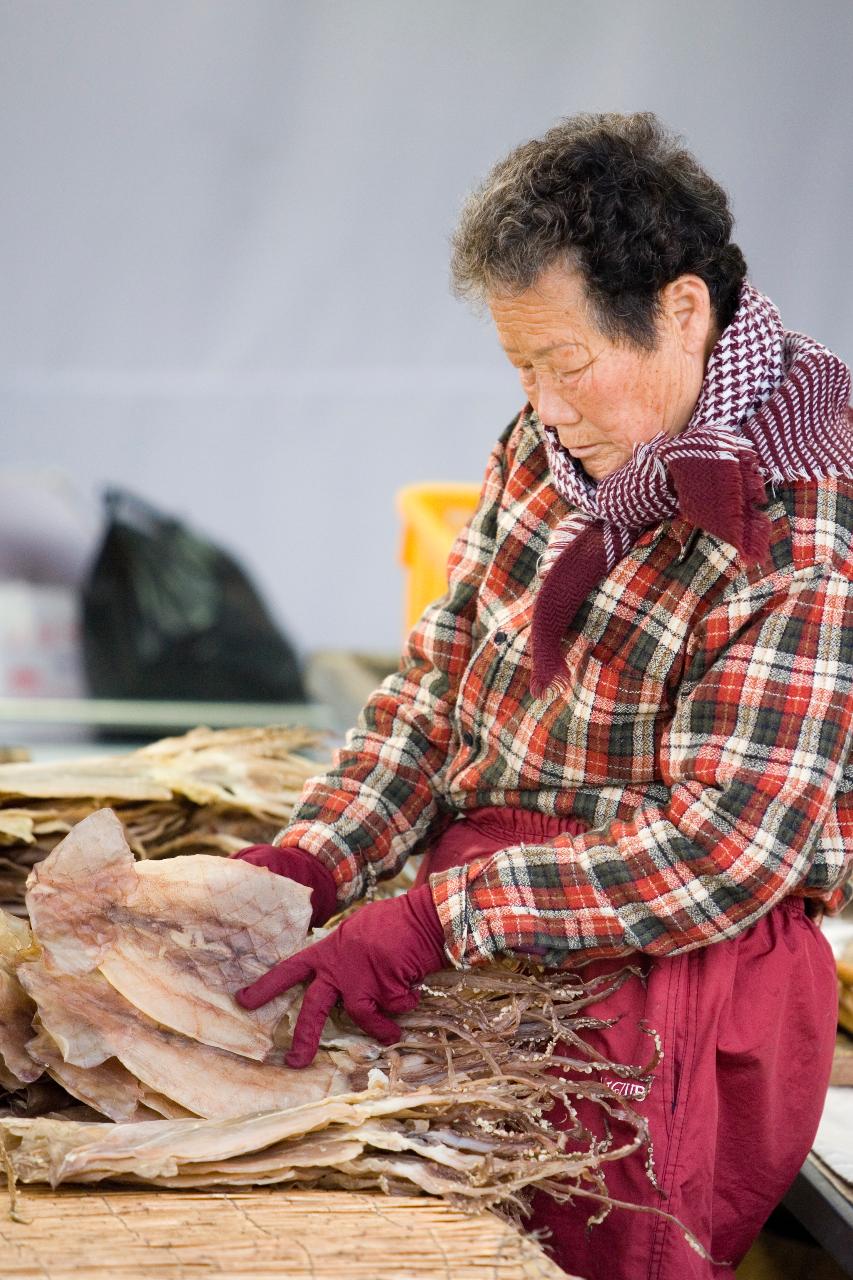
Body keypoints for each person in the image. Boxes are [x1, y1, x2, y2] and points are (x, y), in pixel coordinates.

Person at [234, 113, 852, 1279]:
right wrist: (312, 859)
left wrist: (434, 917)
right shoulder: (552, 443)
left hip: (670, 986)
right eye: (520, 366)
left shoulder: (806, 513)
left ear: (679, 310)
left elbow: (723, 849)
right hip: (495, 939)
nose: (544, 404)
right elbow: (441, 687)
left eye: (565, 363)